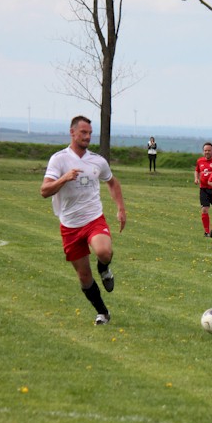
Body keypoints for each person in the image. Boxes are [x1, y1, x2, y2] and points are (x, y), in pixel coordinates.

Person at [41, 115, 127, 325]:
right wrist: (64, 178)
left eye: (90, 133)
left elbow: (112, 182)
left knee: (104, 252)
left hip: (93, 219)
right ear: (72, 132)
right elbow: (44, 191)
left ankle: (104, 268)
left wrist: (121, 209)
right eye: (83, 133)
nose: (88, 137)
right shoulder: (59, 159)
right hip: (69, 225)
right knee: (83, 276)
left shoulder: (97, 160)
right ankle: (103, 313)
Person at [194, 142, 212, 237]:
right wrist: (196, 178)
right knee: (204, 209)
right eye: (205, 150)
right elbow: (197, 170)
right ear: (203, 151)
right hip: (204, 189)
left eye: (209, 150)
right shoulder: (200, 161)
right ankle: (206, 232)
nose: (207, 152)